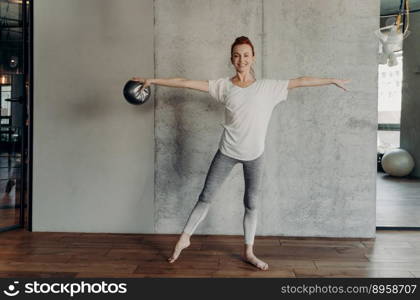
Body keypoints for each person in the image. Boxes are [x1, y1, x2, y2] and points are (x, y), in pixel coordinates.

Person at [132, 36, 349, 270]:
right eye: (237, 55)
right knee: (205, 197)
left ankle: (249, 251)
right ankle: (185, 238)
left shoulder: (268, 87)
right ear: (232, 60)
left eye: (246, 55)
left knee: (251, 204)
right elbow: (185, 82)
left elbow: (301, 81)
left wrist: (331, 80)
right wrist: (152, 80)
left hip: (255, 155)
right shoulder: (224, 86)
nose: (241, 59)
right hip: (227, 152)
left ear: (253, 58)